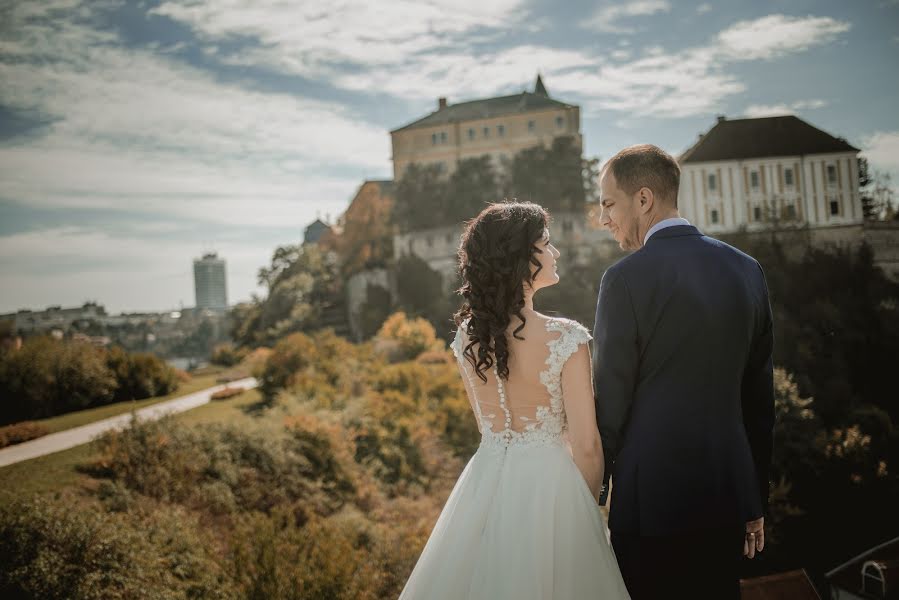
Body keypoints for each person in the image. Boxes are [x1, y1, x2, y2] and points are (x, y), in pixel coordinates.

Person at [398, 201, 630, 599]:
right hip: (553, 491)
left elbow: (486, 427)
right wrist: (587, 515)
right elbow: (588, 447)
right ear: (520, 258)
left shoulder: (466, 338)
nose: (555, 252)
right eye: (546, 244)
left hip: (484, 484)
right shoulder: (566, 338)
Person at [593, 144, 775, 599]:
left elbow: (610, 406)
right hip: (726, 496)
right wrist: (754, 498)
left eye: (609, 204)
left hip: (649, 503)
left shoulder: (623, 280)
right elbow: (759, 400)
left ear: (644, 199)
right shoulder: (748, 270)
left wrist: (593, 492)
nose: (603, 219)